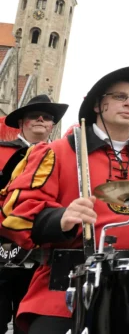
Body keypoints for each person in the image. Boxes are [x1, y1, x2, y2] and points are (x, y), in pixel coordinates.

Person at [0, 66, 129, 334]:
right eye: (121, 96)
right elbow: (16, 215)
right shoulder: (56, 153)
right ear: (99, 104)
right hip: (65, 286)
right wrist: (60, 219)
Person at [0, 95, 68, 334]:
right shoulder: (1, 151)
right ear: (21, 123)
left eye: (47, 117)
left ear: (52, 126)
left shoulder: (63, 158)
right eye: (33, 116)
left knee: (28, 325)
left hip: (40, 257)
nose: (41, 119)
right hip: (2, 246)